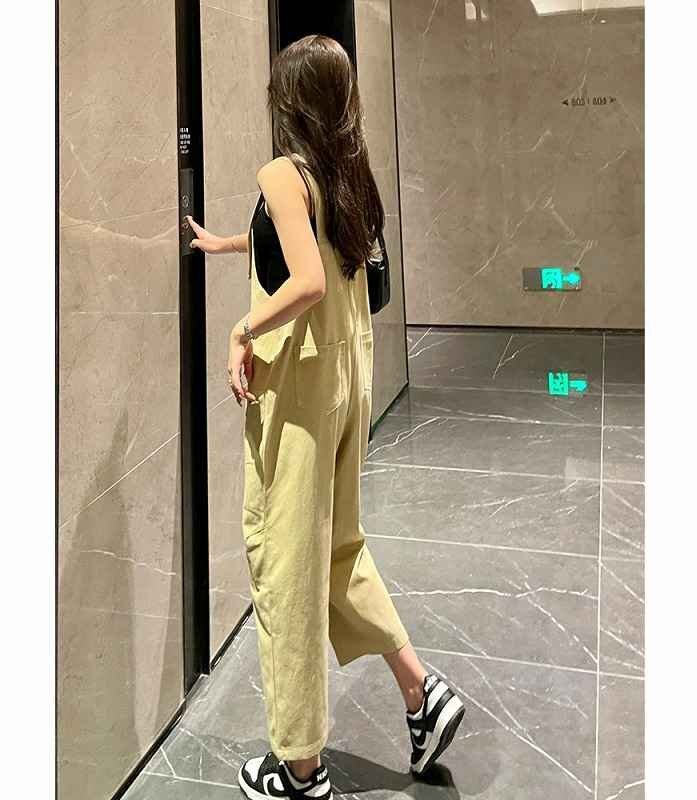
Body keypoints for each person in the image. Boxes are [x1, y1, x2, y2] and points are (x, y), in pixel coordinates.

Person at [186, 33, 465, 800]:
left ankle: (300, 768)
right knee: (338, 547)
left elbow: (306, 279)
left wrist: (243, 330)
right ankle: (421, 693)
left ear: (291, 102)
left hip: (302, 391)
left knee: (286, 566)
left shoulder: (284, 171)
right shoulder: (349, 170)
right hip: (349, 377)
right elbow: (309, 247)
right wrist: (230, 243)